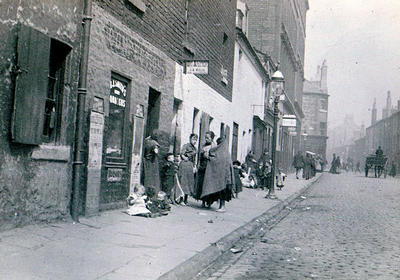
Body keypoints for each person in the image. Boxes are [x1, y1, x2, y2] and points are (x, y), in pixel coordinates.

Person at [200, 136, 234, 212]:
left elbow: (216, 160)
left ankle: (222, 207)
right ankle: (221, 206)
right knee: (221, 192)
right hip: (224, 177)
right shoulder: (225, 152)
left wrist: (209, 158)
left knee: (223, 192)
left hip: (224, 177)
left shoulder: (221, 152)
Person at [195, 131, 216, 207]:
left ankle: (209, 202)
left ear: (212, 138)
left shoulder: (214, 147)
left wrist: (207, 156)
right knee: (202, 185)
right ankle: (203, 202)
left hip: (210, 168)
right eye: (205, 138)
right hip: (203, 168)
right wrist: (198, 164)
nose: (206, 139)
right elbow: (200, 157)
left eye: (208, 138)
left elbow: (215, 158)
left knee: (208, 186)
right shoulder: (203, 146)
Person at [178, 134, 198, 204]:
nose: (194, 141)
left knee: (189, 182)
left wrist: (194, 166)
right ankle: (181, 199)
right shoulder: (186, 146)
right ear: (190, 139)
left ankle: (186, 199)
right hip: (184, 164)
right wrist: (184, 158)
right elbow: (181, 153)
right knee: (183, 181)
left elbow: (195, 159)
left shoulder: (195, 149)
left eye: (196, 140)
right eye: (193, 139)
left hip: (190, 165)